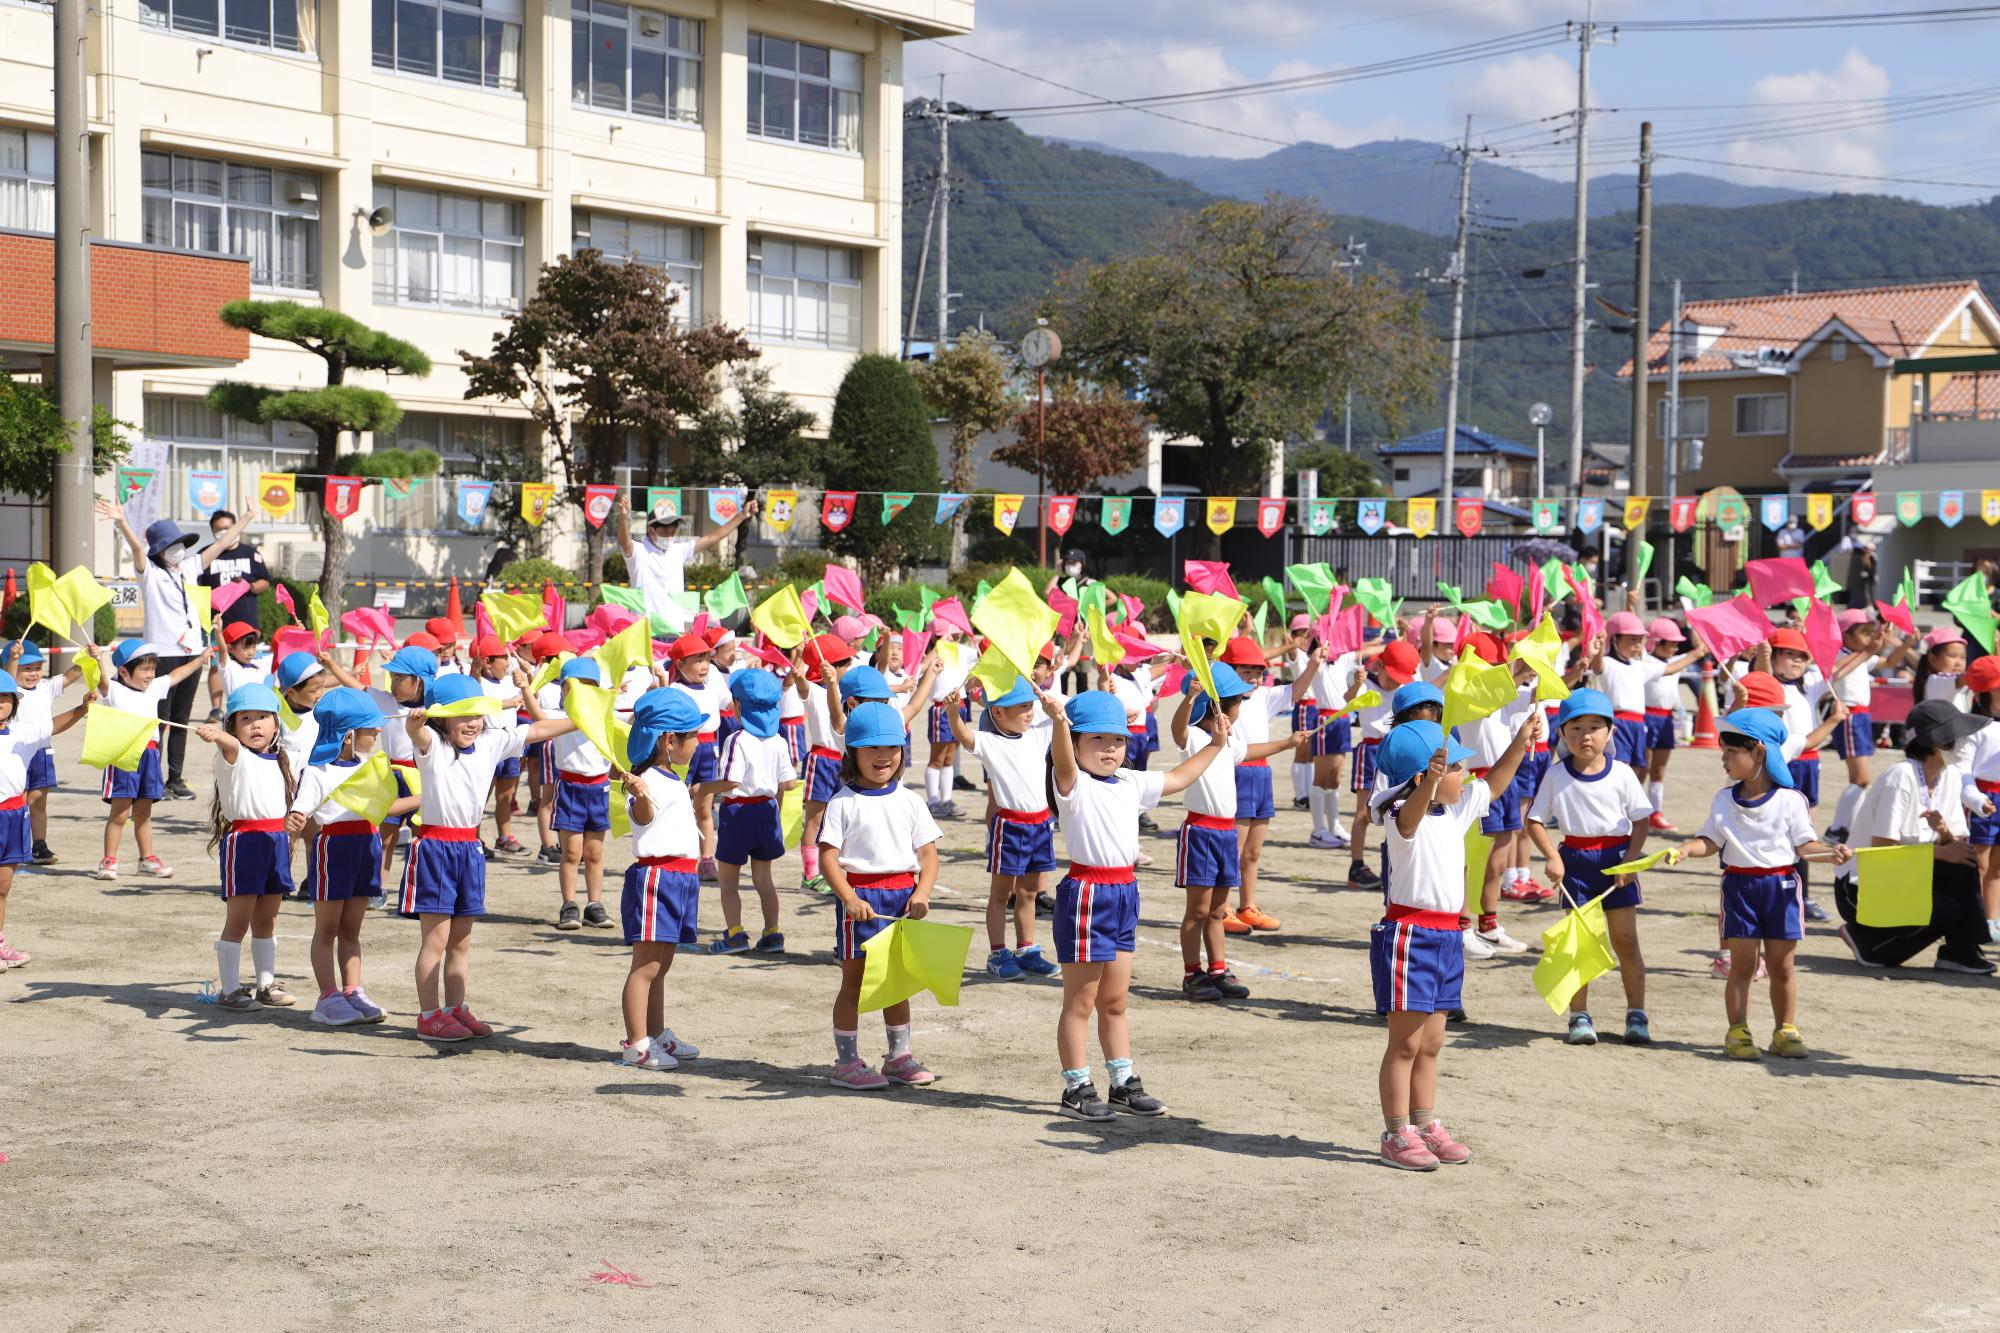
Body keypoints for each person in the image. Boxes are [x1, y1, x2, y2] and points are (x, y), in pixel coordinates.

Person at [1043, 689, 1229, 1122]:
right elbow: (1064, 759)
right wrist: (1058, 723)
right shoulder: (1071, 782)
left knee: (1116, 1000)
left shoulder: (1130, 781)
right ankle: (1075, 1088)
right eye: (1097, 740)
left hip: (1125, 892)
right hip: (1088, 893)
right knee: (1080, 1002)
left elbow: (1180, 778)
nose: (1110, 749)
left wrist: (1218, 744)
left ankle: (1122, 1083)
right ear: (1073, 743)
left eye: (1118, 741)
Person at [1370, 711, 1537, 1171]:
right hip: (1410, 935)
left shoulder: (1457, 808)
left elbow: (1497, 782)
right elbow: (1414, 810)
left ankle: (1424, 1125)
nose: (1467, 775)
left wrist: (1522, 740)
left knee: (1432, 1043)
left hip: (1446, 936)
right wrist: (1431, 781)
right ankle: (1395, 1132)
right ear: (1427, 776)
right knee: (1403, 1044)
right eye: (1457, 768)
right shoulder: (1399, 814)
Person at [401, 672, 576, 1041]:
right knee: (436, 939)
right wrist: (414, 725)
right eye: (463, 715)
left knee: (461, 940)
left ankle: (455, 1009)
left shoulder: (492, 741)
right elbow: (418, 736)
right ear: (440, 717)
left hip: (470, 849)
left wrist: (585, 718)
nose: (473, 722)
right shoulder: (432, 742)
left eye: (478, 713)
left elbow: (539, 732)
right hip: (435, 848)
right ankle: (428, 1016)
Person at [1677, 709, 1850, 1060]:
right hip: (1739, 888)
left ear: (1758, 752)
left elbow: (1805, 847)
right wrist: (1684, 850)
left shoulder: (1791, 800)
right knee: (1742, 967)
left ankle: (1784, 1030)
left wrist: (1832, 853)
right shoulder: (1723, 799)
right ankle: (1737, 1031)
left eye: (1731, 752)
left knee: (1782, 967)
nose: (1723, 759)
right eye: (1723, 751)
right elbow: (1709, 841)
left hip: (1782, 888)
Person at [817, 701, 943, 1091]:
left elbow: (928, 856)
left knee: (897, 983)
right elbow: (828, 859)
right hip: (862, 902)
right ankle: (847, 1061)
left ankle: (899, 1056)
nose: (883, 756)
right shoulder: (842, 802)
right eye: (871, 748)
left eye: (891, 748)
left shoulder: (911, 800)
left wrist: (922, 893)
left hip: (902, 900)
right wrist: (849, 898)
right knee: (854, 982)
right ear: (853, 752)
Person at [1524, 689, 1658, 1046]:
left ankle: (1636, 1014)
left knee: (1626, 941)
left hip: (1616, 862)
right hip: (1575, 864)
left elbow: (1642, 821)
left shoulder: (1624, 773)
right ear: (1562, 734)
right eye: (1576, 728)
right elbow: (1535, 820)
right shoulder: (1556, 775)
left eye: (1595, 727)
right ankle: (1579, 1016)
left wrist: (1631, 859)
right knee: (1580, 945)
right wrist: (1553, 857)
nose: (1586, 735)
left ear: (1610, 731)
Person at [98, 496, 246, 800]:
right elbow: (138, 551)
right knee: (159, 718)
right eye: (172, 545)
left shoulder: (190, 566)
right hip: (162, 653)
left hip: (192, 651)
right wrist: (121, 520)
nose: (179, 549)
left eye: (180, 543)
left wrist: (248, 516)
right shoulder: (149, 573)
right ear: (160, 550)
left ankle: (175, 779)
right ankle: (153, 777)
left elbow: (220, 545)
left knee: (180, 718)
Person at [1166, 664, 1300, 1001]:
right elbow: (1177, 729)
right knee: (1196, 910)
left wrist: (1286, 742)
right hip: (1200, 833)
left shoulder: (1227, 740)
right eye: (1239, 700)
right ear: (1222, 705)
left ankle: (1218, 970)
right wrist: (1191, 697)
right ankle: (1192, 973)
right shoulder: (1197, 736)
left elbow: (1247, 752)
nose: (1243, 705)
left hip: (1226, 834)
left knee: (1217, 910)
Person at [1835, 699, 1995, 974]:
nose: (1964, 742)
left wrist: (1944, 834)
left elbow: (1953, 844)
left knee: (1964, 862)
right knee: (1944, 910)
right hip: (1860, 887)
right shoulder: (1901, 777)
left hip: (1908, 873)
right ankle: (1870, 943)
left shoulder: (1950, 776)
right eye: (1957, 737)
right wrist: (1942, 852)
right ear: (1937, 742)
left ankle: (1961, 950)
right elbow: (1881, 850)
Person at [285, 688, 402, 1027]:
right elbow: (299, 813)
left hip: (366, 847)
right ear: (349, 736)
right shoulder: (318, 771)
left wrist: (426, 797)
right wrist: (294, 820)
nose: (379, 731)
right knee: (327, 928)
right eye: (371, 728)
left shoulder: (371, 766)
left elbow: (385, 808)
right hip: (333, 851)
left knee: (351, 929)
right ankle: (327, 998)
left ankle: (353, 991)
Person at [611, 688, 707, 1070]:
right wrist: (641, 795)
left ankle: (657, 1034)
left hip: (680, 879)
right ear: (669, 740)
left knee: (662, 964)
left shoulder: (671, 777)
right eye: (692, 735)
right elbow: (644, 817)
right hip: (657, 878)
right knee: (646, 965)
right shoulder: (645, 781)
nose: (698, 743)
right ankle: (637, 1044)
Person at [191, 683, 297, 1011]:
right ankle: (230, 990)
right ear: (232, 727)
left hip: (276, 842)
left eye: (264, 717)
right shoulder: (233, 755)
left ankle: (266, 984)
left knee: (267, 920)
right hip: (245, 844)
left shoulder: (281, 758)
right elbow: (228, 744)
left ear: (276, 724)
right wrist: (217, 735)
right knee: (238, 922)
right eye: (246, 718)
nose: (256, 724)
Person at [946, 678, 1059, 981]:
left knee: (1029, 892)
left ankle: (1027, 949)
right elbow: (963, 735)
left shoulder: (1037, 733)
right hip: (1010, 827)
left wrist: (1046, 700)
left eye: (1030, 706)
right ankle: (998, 952)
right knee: (1000, 894)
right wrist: (954, 712)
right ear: (997, 713)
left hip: (1041, 824)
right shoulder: (990, 742)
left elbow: (1063, 712)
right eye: (1021, 707)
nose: (1029, 713)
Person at [1215, 636, 1311, 935]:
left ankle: (1248, 906)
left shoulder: (1264, 696)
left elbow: (1297, 689)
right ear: (1229, 670)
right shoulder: (1220, 701)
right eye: (1247, 672)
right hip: (1238, 773)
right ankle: (1224, 907)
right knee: (1235, 847)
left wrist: (1315, 663)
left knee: (1253, 851)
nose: (1255, 679)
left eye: (1258, 672)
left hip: (1262, 775)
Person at [96, 638, 211, 880]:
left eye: (152, 669)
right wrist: (97, 660)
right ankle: (109, 860)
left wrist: (200, 660)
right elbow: (103, 682)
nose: (150, 675)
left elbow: (177, 675)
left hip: (150, 755)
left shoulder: (154, 688)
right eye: (144, 669)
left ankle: (147, 859)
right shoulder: (113, 691)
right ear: (124, 671)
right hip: (124, 756)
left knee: (143, 814)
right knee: (119, 814)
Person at [0, 669, 90, 971]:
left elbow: (53, 725)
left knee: (3, 886)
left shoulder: (21, 733)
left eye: (4, 698)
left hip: (14, 817)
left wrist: (80, 710)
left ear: (14, 703)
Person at [702, 670, 797, 956]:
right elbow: (789, 782)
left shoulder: (737, 739)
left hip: (739, 813)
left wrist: (705, 787)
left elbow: (732, 781)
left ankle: (735, 935)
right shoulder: (779, 740)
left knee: (729, 880)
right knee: (764, 880)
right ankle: (772, 932)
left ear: (738, 705)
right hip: (767, 810)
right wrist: (775, 807)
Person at [611, 490, 757, 637]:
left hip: (675, 629)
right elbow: (624, 542)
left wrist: (742, 516)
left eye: (673, 532)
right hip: (646, 631)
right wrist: (624, 516)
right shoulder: (639, 551)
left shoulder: (677, 550)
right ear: (651, 530)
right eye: (664, 532)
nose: (669, 536)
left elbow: (712, 538)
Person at [2, 639, 86, 866]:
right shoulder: (10, 691)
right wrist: (13, 659)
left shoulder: (47, 687)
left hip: (41, 751)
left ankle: (39, 845)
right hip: (15, 753)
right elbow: (7, 679)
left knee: (38, 801)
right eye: (26, 668)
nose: (33, 674)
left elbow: (73, 674)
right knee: (15, 799)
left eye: (37, 668)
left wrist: (89, 656)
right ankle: (14, 842)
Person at [547, 658, 617, 931]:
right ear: (564, 689)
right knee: (571, 853)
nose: (584, 692)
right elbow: (538, 720)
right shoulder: (559, 717)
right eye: (577, 686)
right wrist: (527, 690)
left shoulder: (605, 714)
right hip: (570, 789)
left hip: (599, 789)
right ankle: (569, 905)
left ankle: (594, 905)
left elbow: (631, 724)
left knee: (595, 853)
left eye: (591, 686)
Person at [1345, 641, 1420, 890]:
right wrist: (1356, 683)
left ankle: (1397, 864)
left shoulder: (1405, 689)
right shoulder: (1364, 682)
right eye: (1392, 676)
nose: (1395, 682)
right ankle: (1357, 866)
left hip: (1399, 751)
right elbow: (1346, 700)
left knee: (1399, 811)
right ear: (1379, 665)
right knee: (1364, 812)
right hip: (1371, 751)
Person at [368, 645, 437, 889]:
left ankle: (420, 889)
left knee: (423, 835)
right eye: (392, 677)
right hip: (391, 777)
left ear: (419, 681)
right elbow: (357, 689)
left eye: (399, 678)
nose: (393, 683)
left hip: (422, 776)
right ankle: (377, 887)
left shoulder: (437, 707)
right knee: (385, 837)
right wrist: (332, 665)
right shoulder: (387, 702)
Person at [196, 509, 271, 630]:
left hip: (246, 623)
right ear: (212, 531)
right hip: (215, 624)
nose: (224, 532)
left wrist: (249, 587)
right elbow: (196, 588)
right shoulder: (205, 554)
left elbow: (265, 582)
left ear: (237, 527)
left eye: (228, 528)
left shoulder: (250, 553)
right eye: (219, 529)